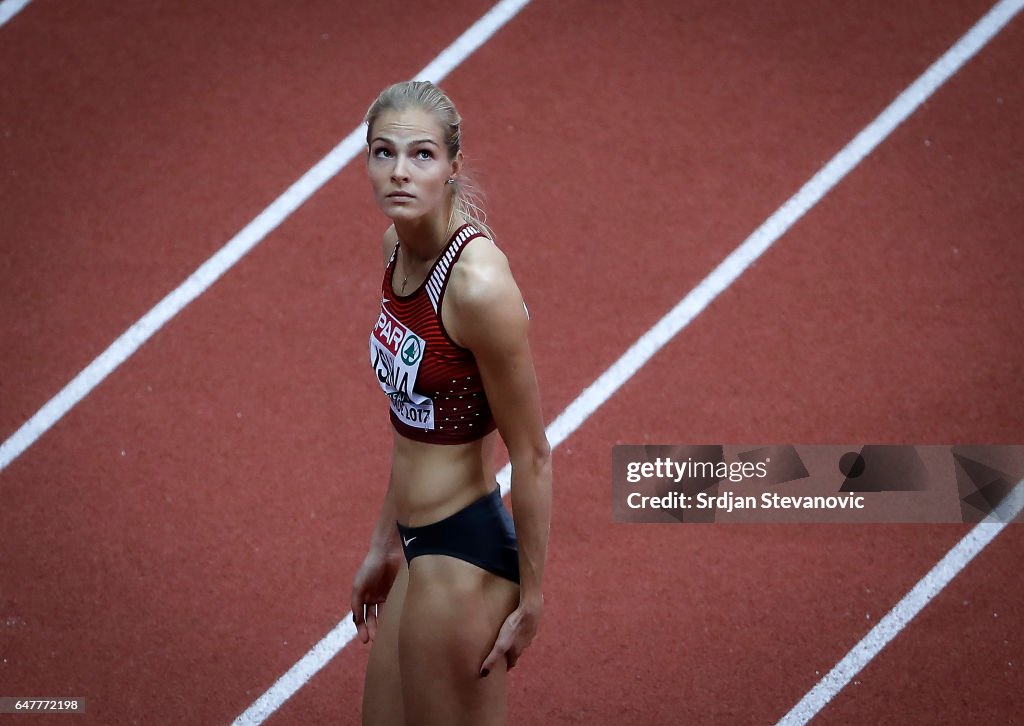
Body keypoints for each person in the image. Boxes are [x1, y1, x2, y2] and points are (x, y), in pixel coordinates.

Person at [351, 80, 552, 726]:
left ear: (452, 167)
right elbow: (410, 420)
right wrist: (384, 543)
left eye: (421, 155)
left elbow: (533, 453)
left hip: (463, 552)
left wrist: (533, 599)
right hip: (415, 546)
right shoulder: (395, 250)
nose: (400, 172)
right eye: (384, 153)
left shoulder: (476, 285)